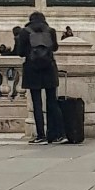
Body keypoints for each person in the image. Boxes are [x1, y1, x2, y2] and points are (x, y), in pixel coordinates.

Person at [16, 11, 66, 144]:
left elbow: (20, 52)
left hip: (32, 70)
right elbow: (55, 48)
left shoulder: (25, 32)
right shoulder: (51, 31)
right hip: (49, 69)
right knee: (52, 102)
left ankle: (41, 136)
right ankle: (57, 135)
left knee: (37, 103)